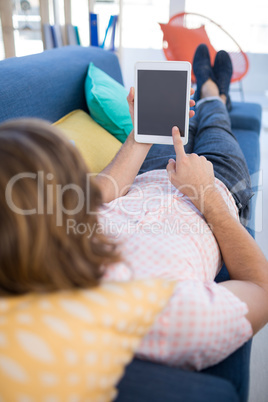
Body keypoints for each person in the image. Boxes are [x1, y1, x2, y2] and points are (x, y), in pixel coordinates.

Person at [0, 44, 267, 373]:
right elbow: (261, 288)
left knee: (183, 121)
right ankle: (214, 92)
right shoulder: (170, 314)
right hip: (217, 187)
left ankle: (203, 90)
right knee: (215, 125)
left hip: (152, 169)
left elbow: (96, 194)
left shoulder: (49, 231)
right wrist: (205, 193)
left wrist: (140, 133)